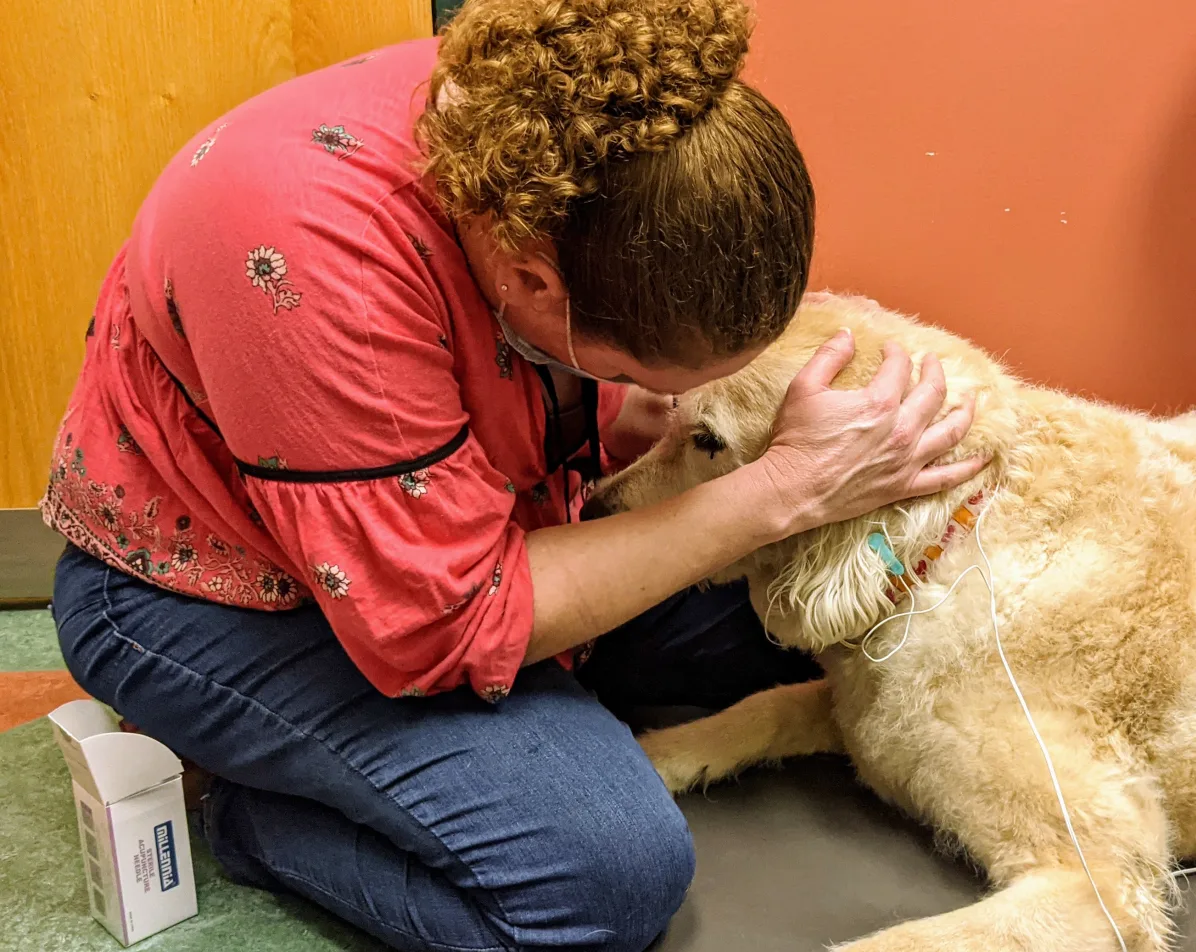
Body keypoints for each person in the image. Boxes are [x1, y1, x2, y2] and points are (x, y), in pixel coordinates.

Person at [43, 1, 983, 950]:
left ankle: (480, 745)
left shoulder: (572, 125)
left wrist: (665, 426)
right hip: (217, 600)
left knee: (825, 618)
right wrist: (781, 491)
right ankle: (242, 808)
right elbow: (442, 624)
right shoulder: (307, 255)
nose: (645, 400)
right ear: (536, 285)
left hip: (490, 522)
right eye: (627, 377)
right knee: (603, 878)